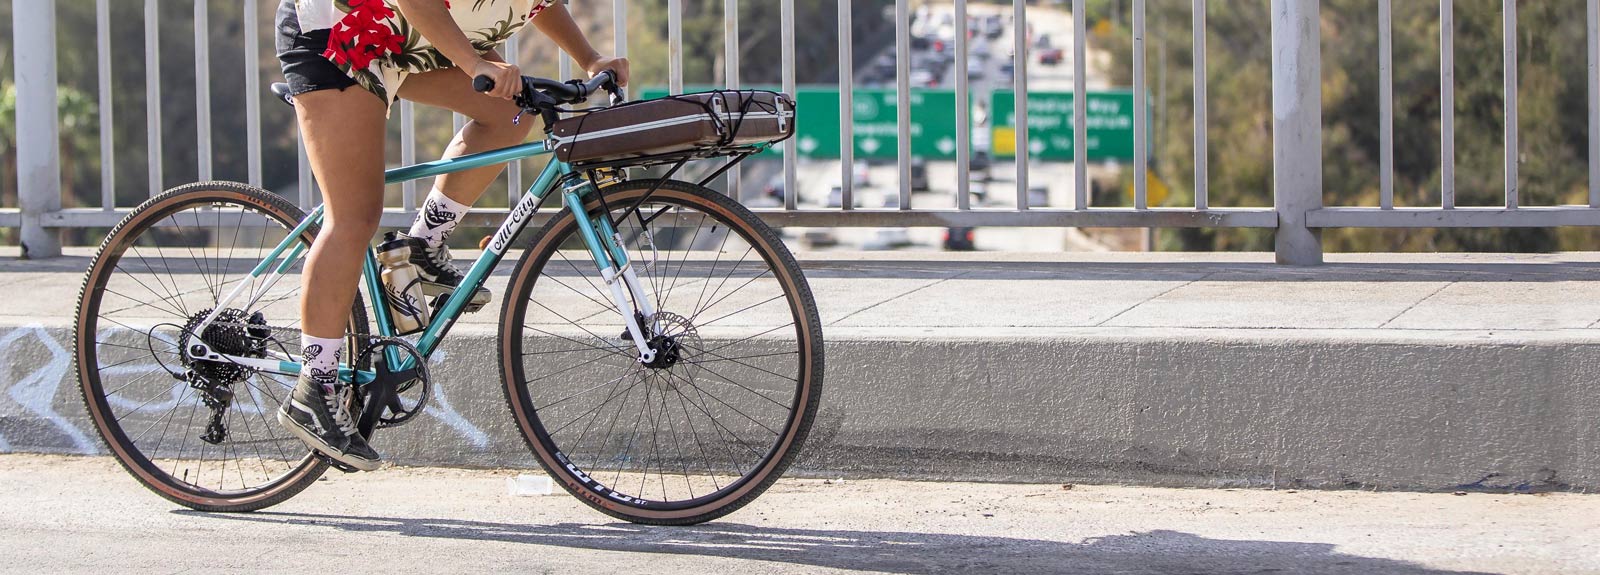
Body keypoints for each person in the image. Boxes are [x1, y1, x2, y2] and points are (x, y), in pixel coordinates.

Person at [273, 0, 629, 471]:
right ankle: (313, 387)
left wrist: (591, 60)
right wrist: (477, 62)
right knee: (354, 216)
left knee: (511, 115)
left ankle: (421, 246)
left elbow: (541, 4)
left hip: (408, 43)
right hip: (341, 37)